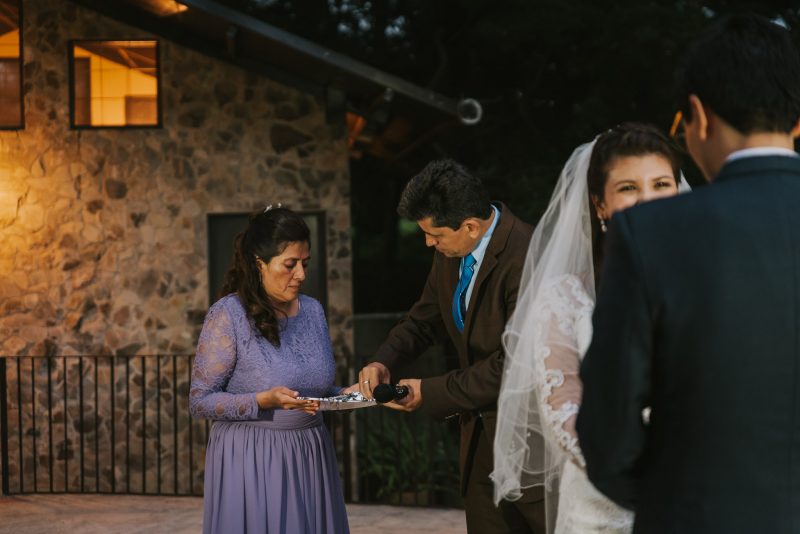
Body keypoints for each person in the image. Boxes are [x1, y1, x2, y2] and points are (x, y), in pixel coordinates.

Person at [576, 14, 800, 533]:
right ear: (795, 119)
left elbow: (608, 435)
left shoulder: (651, 235)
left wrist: (674, 501)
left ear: (697, 116)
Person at [492, 123, 686, 533]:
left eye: (662, 183)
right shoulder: (566, 296)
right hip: (604, 507)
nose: (648, 200)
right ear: (601, 205)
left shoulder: (711, 281)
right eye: (629, 188)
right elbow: (564, 411)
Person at [356, 159, 543, 533]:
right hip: (478, 450)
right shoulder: (450, 254)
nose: (428, 243)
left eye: (435, 234)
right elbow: (423, 320)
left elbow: (514, 365)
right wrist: (383, 361)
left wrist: (430, 391)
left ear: (471, 226)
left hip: (533, 451)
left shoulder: (527, 257)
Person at [189, 207, 349, 534]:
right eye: (290, 264)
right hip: (252, 459)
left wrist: (354, 396)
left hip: (310, 454)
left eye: (305, 263)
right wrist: (264, 400)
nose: (301, 274)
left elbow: (316, 392)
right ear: (259, 263)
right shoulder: (229, 315)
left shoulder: (314, 311)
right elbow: (200, 401)